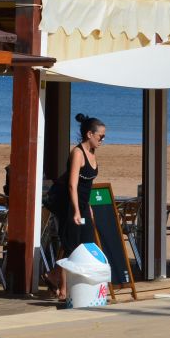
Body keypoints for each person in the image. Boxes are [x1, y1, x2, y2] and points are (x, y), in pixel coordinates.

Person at [43, 113, 105, 301]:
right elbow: (73, 185)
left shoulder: (93, 154)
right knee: (71, 245)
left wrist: (89, 207)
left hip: (83, 204)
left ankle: (54, 275)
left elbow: (88, 186)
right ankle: (63, 290)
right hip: (69, 204)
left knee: (85, 244)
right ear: (89, 134)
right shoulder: (77, 153)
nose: (102, 140)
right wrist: (77, 210)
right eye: (100, 136)